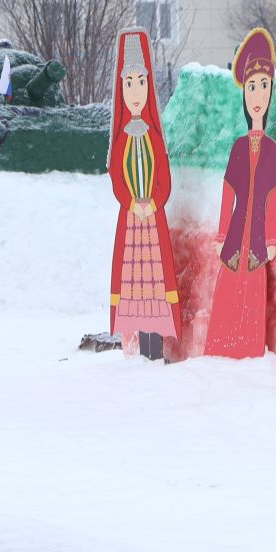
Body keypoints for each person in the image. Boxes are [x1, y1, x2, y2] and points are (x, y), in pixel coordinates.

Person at [205, 28, 276, 358]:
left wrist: (271, 239)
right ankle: (222, 344)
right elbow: (228, 190)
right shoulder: (238, 147)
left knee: (253, 286)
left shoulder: (272, 150)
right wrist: (223, 233)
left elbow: (273, 195)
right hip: (237, 232)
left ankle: (249, 346)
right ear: (244, 94)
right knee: (229, 284)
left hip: (259, 236)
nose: (258, 95)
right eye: (252, 87)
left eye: (264, 86)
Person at [107, 30, 182, 360]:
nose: (135, 91)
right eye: (129, 83)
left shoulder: (153, 134)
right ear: (120, 88)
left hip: (152, 217)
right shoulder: (121, 137)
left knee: (155, 282)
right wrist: (129, 202)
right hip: (133, 219)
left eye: (141, 82)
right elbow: (116, 174)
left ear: (149, 86)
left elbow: (163, 175)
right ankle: (139, 346)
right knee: (134, 284)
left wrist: (153, 201)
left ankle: (155, 345)